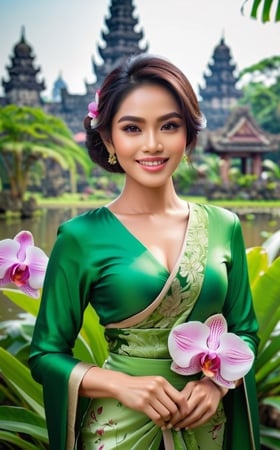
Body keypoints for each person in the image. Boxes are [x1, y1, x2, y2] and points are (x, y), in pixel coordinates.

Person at [29, 54, 260, 450]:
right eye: (132, 128)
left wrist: (217, 385)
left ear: (187, 136)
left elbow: (246, 332)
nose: (152, 144)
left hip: (206, 427)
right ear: (108, 140)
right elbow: (46, 354)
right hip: (118, 431)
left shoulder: (225, 226)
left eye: (169, 126)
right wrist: (121, 385)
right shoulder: (80, 237)